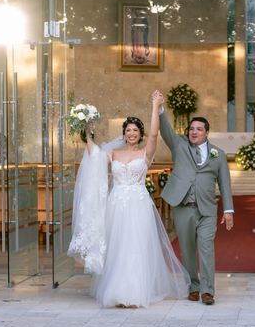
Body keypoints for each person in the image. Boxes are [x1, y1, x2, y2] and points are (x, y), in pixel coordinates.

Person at [69, 95, 190, 308]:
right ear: (123, 134)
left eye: (135, 130)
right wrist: (85, 129)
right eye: (128, 130)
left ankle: (135, 292)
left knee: (136, 246)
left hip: (139, 203)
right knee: (118, 246)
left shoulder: (146, 153)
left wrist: (155, 106)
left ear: (140, 134)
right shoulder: (113, 153)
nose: (131, 133)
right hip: (116, 204)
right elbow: (94, 156)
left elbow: (155, 133)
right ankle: (117, 290)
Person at [157, 90, 234, 306]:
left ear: (207, 133)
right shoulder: (179, 145)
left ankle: (208, 291)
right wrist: (160, 109)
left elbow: (225, 184)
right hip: (183, 207)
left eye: (198, 129)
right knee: (188, 250)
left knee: (206, 247)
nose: (193, 132)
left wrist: (228, 211)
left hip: (208, 209)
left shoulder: (217, 155)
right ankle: (193, 286)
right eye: (191, 128)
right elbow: (166, 131)